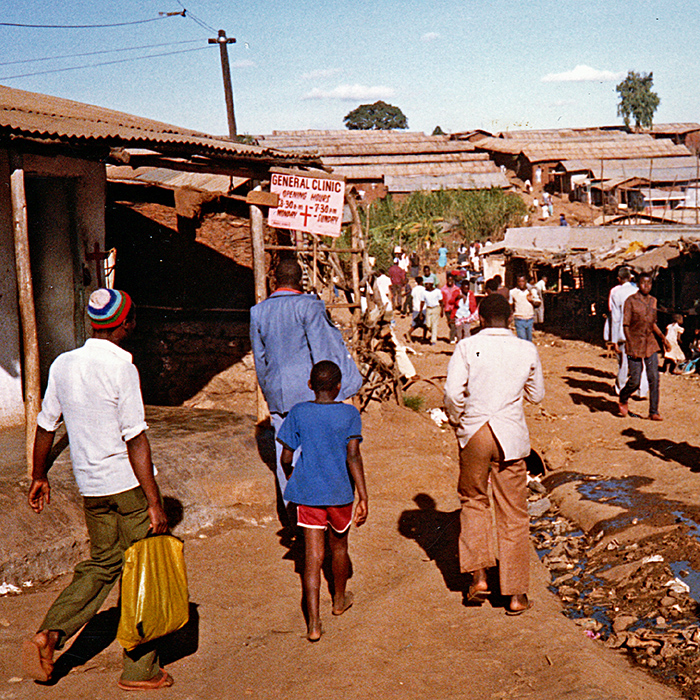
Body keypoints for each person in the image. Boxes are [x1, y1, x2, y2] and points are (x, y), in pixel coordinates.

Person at [22, 289, 173, 691]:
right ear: (126, 324)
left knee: (102, 565)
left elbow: (45, 424)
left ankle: (51, 634)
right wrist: (155, 503)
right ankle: (140, 671)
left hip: (92, 488)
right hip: (128, 487)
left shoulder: (64, 364)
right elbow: (135, 439)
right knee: (142, 571)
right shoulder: (123, 368)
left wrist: (39, 475)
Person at [444, 293, 544, 615]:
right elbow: (537, 395)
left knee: (474, 500)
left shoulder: (466, 347)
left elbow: (451, 393)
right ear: (511, 319)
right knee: (513, 513)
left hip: (474, 433)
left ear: (481, 319)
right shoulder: (526, 348)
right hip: (510, 438)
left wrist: (460, 419)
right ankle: (515, 595)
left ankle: (479, 578)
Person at [250, 260, 363, 512]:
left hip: (278, 395)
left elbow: (260, 360)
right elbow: (323, 352)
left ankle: (295, 515)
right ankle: (317, 514)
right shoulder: (308, 307)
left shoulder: (258, 312)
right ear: (300, 279)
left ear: (274, 280)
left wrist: (270, 393)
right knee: (315, 456)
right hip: (311, 394)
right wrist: (338, 392)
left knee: (285, 456)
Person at [278, 361, 368, 642]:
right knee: (339, 547)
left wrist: (295, 478)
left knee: (312, 557)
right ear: (339, 386)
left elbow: (286, 458)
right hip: (340, 493)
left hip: (310, 495)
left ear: (310, 385)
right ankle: (339, 600)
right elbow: (353, 456)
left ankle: (314, 624)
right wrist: (363, 495)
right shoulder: (350, 414)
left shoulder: (299, 412)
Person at [618, 273, 670, 421]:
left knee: (654, 377)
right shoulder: (631, 301)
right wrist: (630, 344)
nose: (646, 286)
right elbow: (626, 325)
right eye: (643, 283)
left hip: (650, 344)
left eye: (649, 283)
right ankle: (624, 395)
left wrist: (663, 338)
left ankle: (653, 411)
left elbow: (652, 323)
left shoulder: (653, 301)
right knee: (635, 380)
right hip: (634, 344)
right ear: (638, 284)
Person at [608, 267, 648, 397]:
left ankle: (620, 389)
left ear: (618, 279)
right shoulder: (639, 291)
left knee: (623, 362)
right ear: (631, 277)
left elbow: (615, 318)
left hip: (623, 333)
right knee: (640, 362)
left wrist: (613, 340)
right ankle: (642, 391)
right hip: (639, 332)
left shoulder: (616, 293)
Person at [509, 274, 538, 342]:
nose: (521, 283)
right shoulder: (513, 292)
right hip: (519, 319)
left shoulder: (531, 291)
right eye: (519, 281)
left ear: (526, 282)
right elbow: (510, 304)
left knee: (529, 340)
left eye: (523, 281)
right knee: (522, 340)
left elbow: (538, 303)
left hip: (530, 319)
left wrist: (532, 301)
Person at [441, 274, 462, 343]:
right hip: (447, 308)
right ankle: (455, 334)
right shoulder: (443, 289)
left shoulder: (457, 289)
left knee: (453, 323)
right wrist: (441, 310)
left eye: (451, 280)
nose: (450, 281)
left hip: (454, 308)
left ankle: (452, 338)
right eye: (448, 279)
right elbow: (442, 300)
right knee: (450, 323)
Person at [422, 278, 443, 345]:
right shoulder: (424, 292)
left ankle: (433, 340)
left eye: (427, 284)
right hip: (428, 309)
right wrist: (420, 312)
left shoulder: (437, 292)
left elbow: (441, 301)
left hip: (436, 308)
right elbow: (422, 302)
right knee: (428, 325)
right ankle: (434, 333)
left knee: (434, 324)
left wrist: (442, 310)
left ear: (431, 284)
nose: (425, 286)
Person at [407, 276, 428, 342]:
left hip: (415, 308)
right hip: (423, 308)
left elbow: (412, 296)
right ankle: (424, 336)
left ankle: (409, 333)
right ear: (422, 282)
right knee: (425, 324)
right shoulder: (424, 289)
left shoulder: (414, 289)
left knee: (415, 323)